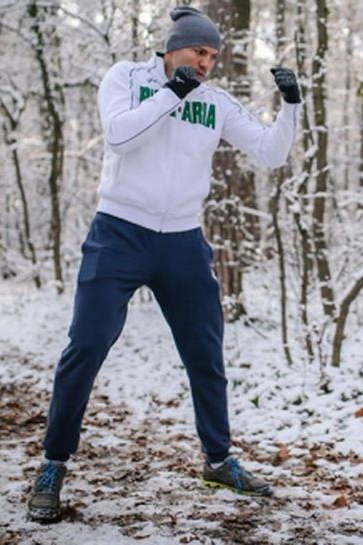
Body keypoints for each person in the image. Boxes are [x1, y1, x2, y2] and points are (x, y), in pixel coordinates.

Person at [26, 6, 301, 522]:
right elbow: (119, 136)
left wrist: (290, 105)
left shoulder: (214, 101)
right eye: (200, 52)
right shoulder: (126, 78)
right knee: (86, 345)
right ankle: (52, 464)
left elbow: (270, 153)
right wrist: (172, 94)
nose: (206, 64)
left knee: (206, 353)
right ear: (173, 46)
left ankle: (219, 461)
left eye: (214, 57)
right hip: (119, 233)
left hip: (181, 240)